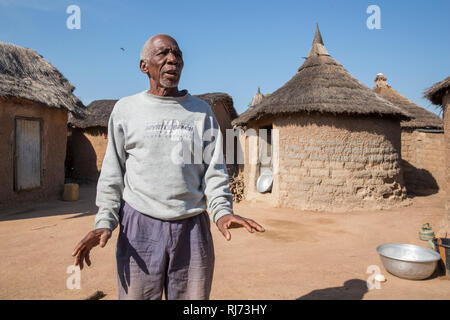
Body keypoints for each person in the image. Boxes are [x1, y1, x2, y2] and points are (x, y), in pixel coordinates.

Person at [72, 34, 265, 300]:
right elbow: (112, 174)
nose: (172, 59)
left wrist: (221, 212)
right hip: (139, 228)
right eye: (163, 53)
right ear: (144, 66)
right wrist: (105, 221)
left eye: (177, 54)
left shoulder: (201, 112)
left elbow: (214, 171)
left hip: (192, 229)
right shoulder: (126, 110)